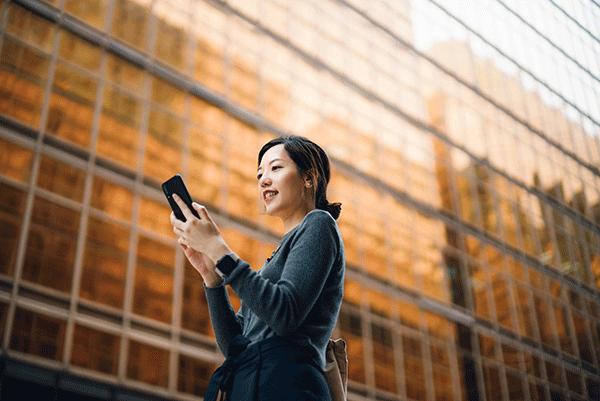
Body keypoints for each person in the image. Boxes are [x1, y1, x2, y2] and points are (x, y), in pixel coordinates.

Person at [170, 135, 345, 400]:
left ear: (309, 178)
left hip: (289, 386)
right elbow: (234, 345)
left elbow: (284, 314)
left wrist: (219, 249)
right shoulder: (270, 264)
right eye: (259, 174)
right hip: (248, 386)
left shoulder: (319, 224)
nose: (263, 179)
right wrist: (212, 278)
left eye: (276, 168)